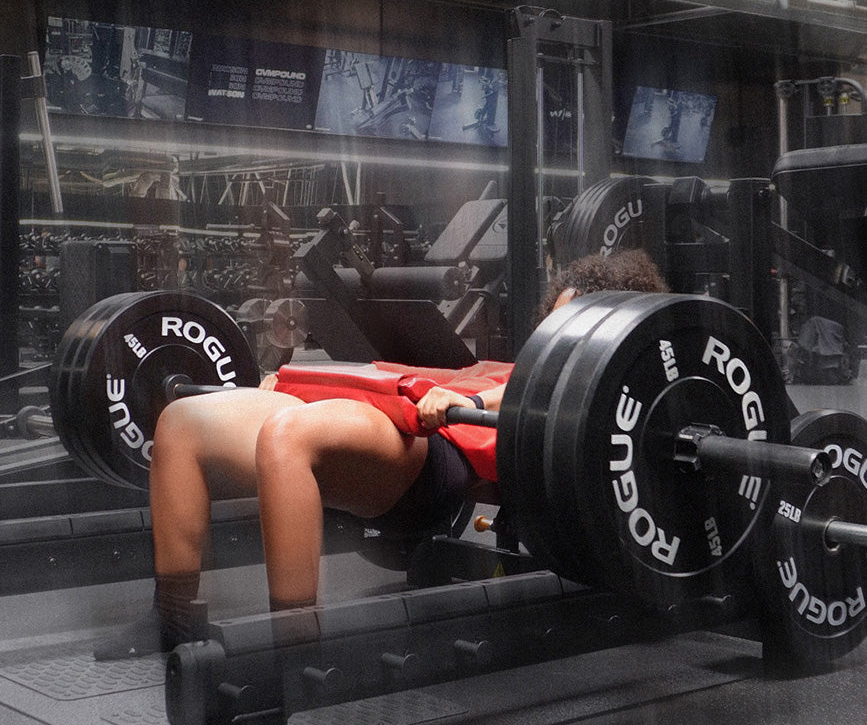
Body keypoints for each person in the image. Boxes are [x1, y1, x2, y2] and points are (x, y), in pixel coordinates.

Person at [94, 247, 668, 659]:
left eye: (575, 328)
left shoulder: (589, 394)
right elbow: (408, 372)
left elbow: (513, 394)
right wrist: (298, 380)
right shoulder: (508, 365)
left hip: (435, 457)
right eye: (555, 324)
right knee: (182, 424)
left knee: (288, 437)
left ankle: (294, 644)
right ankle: (171, 618)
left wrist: (465, 399)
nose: (558, 338)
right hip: (402, 417)